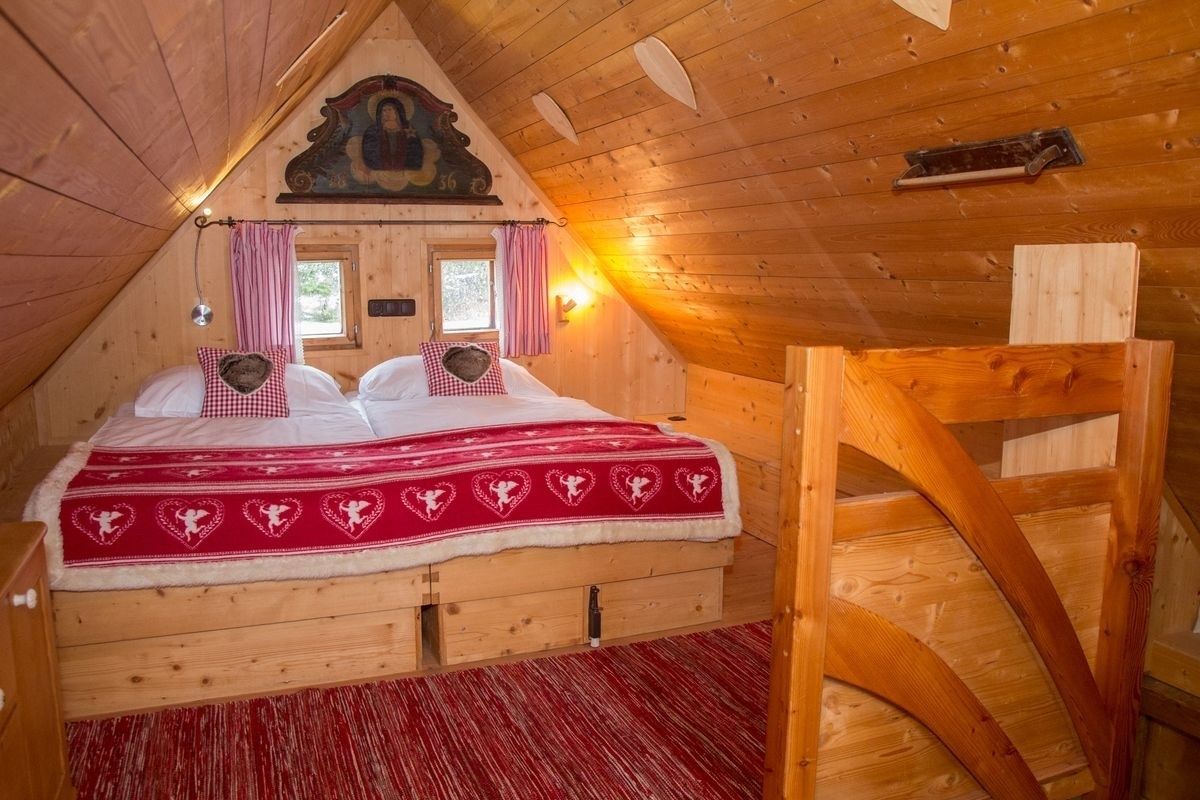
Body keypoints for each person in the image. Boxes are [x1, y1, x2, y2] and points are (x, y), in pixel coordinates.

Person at [361, 98, 424, 171]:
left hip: (404, 171)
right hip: (380, 171)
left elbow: (415, 150)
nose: (387, 113)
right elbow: (368, 151)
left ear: (396, 111)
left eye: (390, 109)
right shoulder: (373, 130)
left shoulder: (408, 129)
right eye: (384, 110)